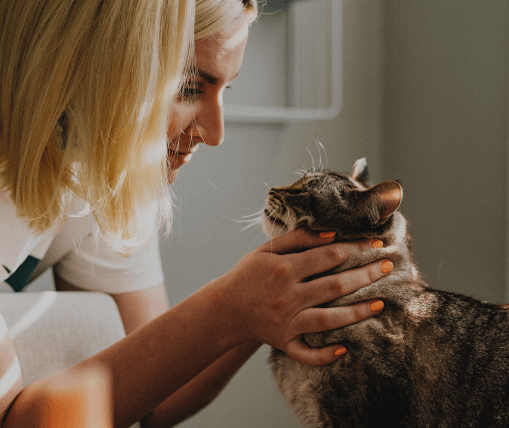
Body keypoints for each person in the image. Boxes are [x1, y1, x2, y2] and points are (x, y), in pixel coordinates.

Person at [0, 0, 393, 427]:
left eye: (225, 91)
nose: (216, 133)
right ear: (88, 60)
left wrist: (268, 304)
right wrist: (231, 307)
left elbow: (156, 399)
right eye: (188, 89)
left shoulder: (103, 167)